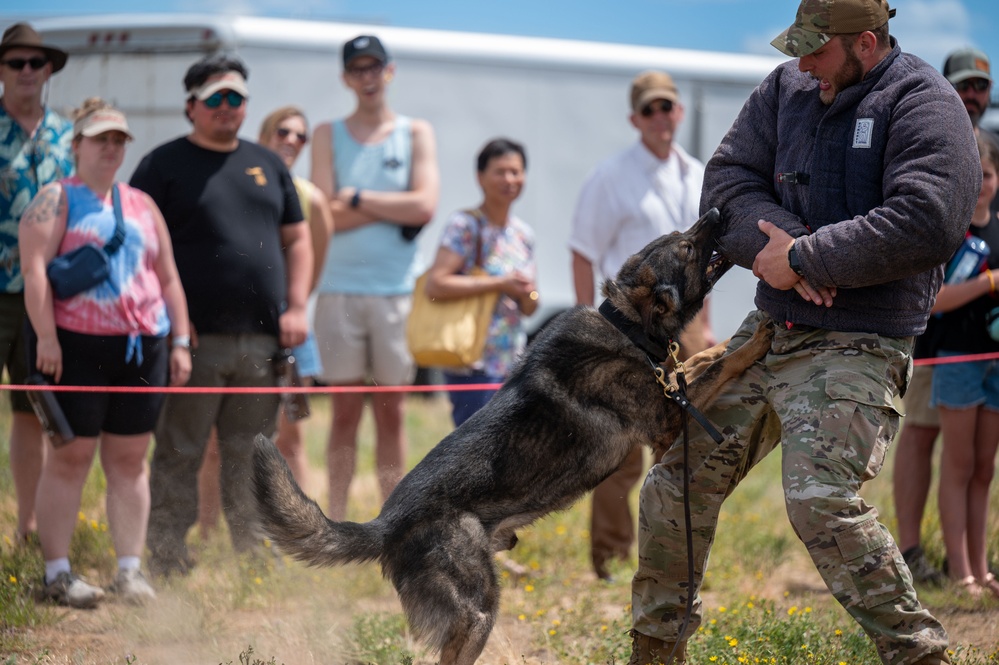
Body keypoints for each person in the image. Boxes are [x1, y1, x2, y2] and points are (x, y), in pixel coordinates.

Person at [628, 1, 982, 663]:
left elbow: (928, 217)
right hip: (770, 329)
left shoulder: (923, 101)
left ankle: (920, 654)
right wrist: (785, 250)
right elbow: (726, 184)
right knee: (673, 480)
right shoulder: (785, 88)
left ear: (866, 45)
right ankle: (654, 651)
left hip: (860, 338)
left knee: (818, 501)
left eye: (816, 51)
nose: (802, 65)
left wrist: (805, 258)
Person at [130, 54, 312, 577]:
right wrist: (170, 333)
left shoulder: (268, 164)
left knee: (253, 452)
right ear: (191, 106)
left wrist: (298, 305)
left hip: (261, 342)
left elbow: (297, 239)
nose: (228, 108)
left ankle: (254, 557)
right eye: (216, 99)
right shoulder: (161, 166)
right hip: (191, 342)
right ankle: (165, 555)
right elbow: (140, 250)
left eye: (237, 98)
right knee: (180, 450)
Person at [19, 99, 191, 607]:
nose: (112, 148)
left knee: (131, 460)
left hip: (144, 347)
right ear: (77, 146)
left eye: (119, 140)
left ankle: (129, 571)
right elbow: (35, 274)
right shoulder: (55, 198)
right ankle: (57, 573)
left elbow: (169, 278)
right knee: (70, 457)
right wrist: (46, 337)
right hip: (75, 346)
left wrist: (181, 340)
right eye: (101, 139)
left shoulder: (141, 203)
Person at [568, 70, 714, 581]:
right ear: (635, 118)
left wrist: (706, 327)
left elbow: (699, 269)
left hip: (684, 331)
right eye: (649, 109)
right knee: (620, 451)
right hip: (626, 329)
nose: (660, 117)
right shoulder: (610, 176)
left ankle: (671, 564)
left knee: (681, 448)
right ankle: (609, 562)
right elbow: (583, 252)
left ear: (679, 112)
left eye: (667, 106)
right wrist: (591, 324)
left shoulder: (697, 174)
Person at [310, 34, 439, 521]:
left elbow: (425, 204)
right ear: (346, 77)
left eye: (374, 67)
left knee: (393, 412)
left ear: (390, 71)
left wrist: (356, 198)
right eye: (357, 69)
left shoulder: (415, 132)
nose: (367, 77)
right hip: (338, 289)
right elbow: (323, 213)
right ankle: (339, 518)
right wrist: (393, 207)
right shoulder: (327, 133)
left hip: (396, 294)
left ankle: (392, 521)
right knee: (343, 414)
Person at [196, 106, 333, 537]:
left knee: (289, 440)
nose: (291, 140)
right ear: (263, 135)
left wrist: (294, 305)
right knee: (216, 442)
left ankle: (302, 531)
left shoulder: (311, 196)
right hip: (237, 327)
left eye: (300, 136)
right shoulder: (241, 184)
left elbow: (315, 256)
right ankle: (206, 530)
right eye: (282, 131)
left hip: (288, 332)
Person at [890, 46, 997, 587]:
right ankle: (909, 551)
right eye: (965, 85)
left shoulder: (989, 152)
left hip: (974, 337)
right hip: (923, 324)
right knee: (921, 435)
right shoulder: (924, 134)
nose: (974, 96)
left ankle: (967, 560)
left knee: (971, 460)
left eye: (982, 87)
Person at [0, 22, 74, 546]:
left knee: (34, 411)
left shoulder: (71, 135)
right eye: (15, 63)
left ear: (48, 70)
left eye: (36, 63)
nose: (27, 71)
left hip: (47, 297)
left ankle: (28, 526)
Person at [929, 134, 999, 600]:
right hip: (956, 359)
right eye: (973, 175)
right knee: (956, 466)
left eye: (989, 174)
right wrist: (989, 281)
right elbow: (934, 301)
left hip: (996, 364)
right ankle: (961, 573)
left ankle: (981, 566)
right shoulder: (950, 231)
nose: (982, 184)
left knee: (983, 469)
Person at [424, 138, 537, 426]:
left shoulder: (524, 234)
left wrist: (527, 294)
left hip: (511, 360)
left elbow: (528, 309)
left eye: (516, 171)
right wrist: (501, 283)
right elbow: (436, 284)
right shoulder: (465, 225)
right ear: (480, 177)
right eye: (500, 171)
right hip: (471, 360)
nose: (509, 179)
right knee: (473, 450)